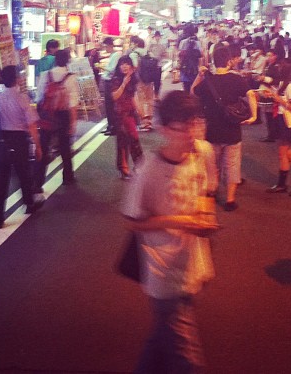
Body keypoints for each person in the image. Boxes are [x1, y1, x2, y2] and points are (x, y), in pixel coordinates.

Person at [121, 91, 220, 373]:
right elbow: (133, 221)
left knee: (160, 342)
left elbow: (207, 190)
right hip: (162, 270)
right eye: (183, 127)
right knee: (187, 359)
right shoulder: (147, 171)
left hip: (192, 263)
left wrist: (205, 216)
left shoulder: (203, 152)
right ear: (164, 129)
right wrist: (179, 221)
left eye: (196, 124)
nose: (191, 133)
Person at [192, 45, 257, 211]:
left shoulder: (208, 81)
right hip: (232, 130)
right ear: (229, 61)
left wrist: (200, 75)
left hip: (213, 130)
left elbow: (193, 92)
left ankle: (212, 191)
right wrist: (254, 116)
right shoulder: (236, 79)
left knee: (213, 164)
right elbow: (250, 94)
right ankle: (230, 199)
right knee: (233, 165)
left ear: (214, 62)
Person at [0, 65, 43, 229]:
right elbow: (32, 125)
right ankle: (29, 203)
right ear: (16, 79)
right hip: (19, 141)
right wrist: (38, 146)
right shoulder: (22, 98)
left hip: (1, 142)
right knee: (24, 174)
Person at [35, 48, 80, 187]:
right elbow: (72, 103)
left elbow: (39, 98)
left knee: (44, 147)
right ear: (68, 61)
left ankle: (37, 182)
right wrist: (73, 123)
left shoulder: (45, 75)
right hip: (63, 116)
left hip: (47, 115)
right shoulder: (71, 77)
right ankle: (67, 177)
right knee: (65, 147)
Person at [263, 58, 291, 196]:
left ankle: (286, 185)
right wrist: (273, 95)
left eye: (281, 67)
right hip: (284, 121)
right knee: (290, 153)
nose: (279, 69)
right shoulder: (286, 84)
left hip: (288, 123)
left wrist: (278, 99)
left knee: (285, 153)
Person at [111, 55, 143, 179]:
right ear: (119, 66)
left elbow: (133, 97)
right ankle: (124, 169)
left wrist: (141, 112)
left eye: (126, 64)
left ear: (130, 66)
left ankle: (138, 166)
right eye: (122, 64)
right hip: (119, 115)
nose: (124, 66)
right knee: (123, 142)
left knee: (134, 140)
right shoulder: (115, 80)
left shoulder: (133, 79)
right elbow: (114, 97)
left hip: (129, 114)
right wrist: (123, 84)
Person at [129, 36, 155, 132]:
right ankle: (149, 121)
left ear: (135, 44)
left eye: (131, 43)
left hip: (139, 80)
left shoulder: (134, 54)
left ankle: (144, 122)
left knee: (141, 100)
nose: (130, 45)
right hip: (150, 79)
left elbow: (135, 66)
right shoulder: (149, 53)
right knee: (149, 99)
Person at [100, 37, 122, 136]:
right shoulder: (113, 55)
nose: (105, 49)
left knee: (111, 106)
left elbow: (112, 69)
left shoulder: (116, 55)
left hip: (111, 82)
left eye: (106, 47)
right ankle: (110, 126)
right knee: (108, 106)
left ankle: (113, 127)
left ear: (110, 46)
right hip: (107, 81)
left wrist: (101, 66)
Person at [147, 31, 168, 100]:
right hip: (151, 64)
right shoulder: (151, 42)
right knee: (150, 80)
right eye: (157, 36)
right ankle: (151, 94)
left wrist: (164, 55)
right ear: (155, 36)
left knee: (157, 80)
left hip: (158, 64)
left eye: (158, 36)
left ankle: (156, 94)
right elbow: (148, 51)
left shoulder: (163, 43)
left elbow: (165, 53)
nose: (157, 38)